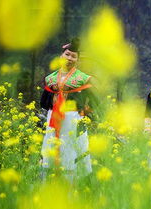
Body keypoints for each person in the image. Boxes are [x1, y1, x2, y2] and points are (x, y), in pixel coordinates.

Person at [40, 38, 95, 175]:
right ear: (61, 56)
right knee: (51, 145)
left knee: (70, 148)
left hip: (72, 118)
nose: (69, 58)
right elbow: (44, 102)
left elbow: (94, 101)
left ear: (77, 60)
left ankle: (71, 184)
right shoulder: (51, 78)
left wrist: (84, 112)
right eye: (67, 54)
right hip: (53, 117)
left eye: (73, 56)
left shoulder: (82, 78)